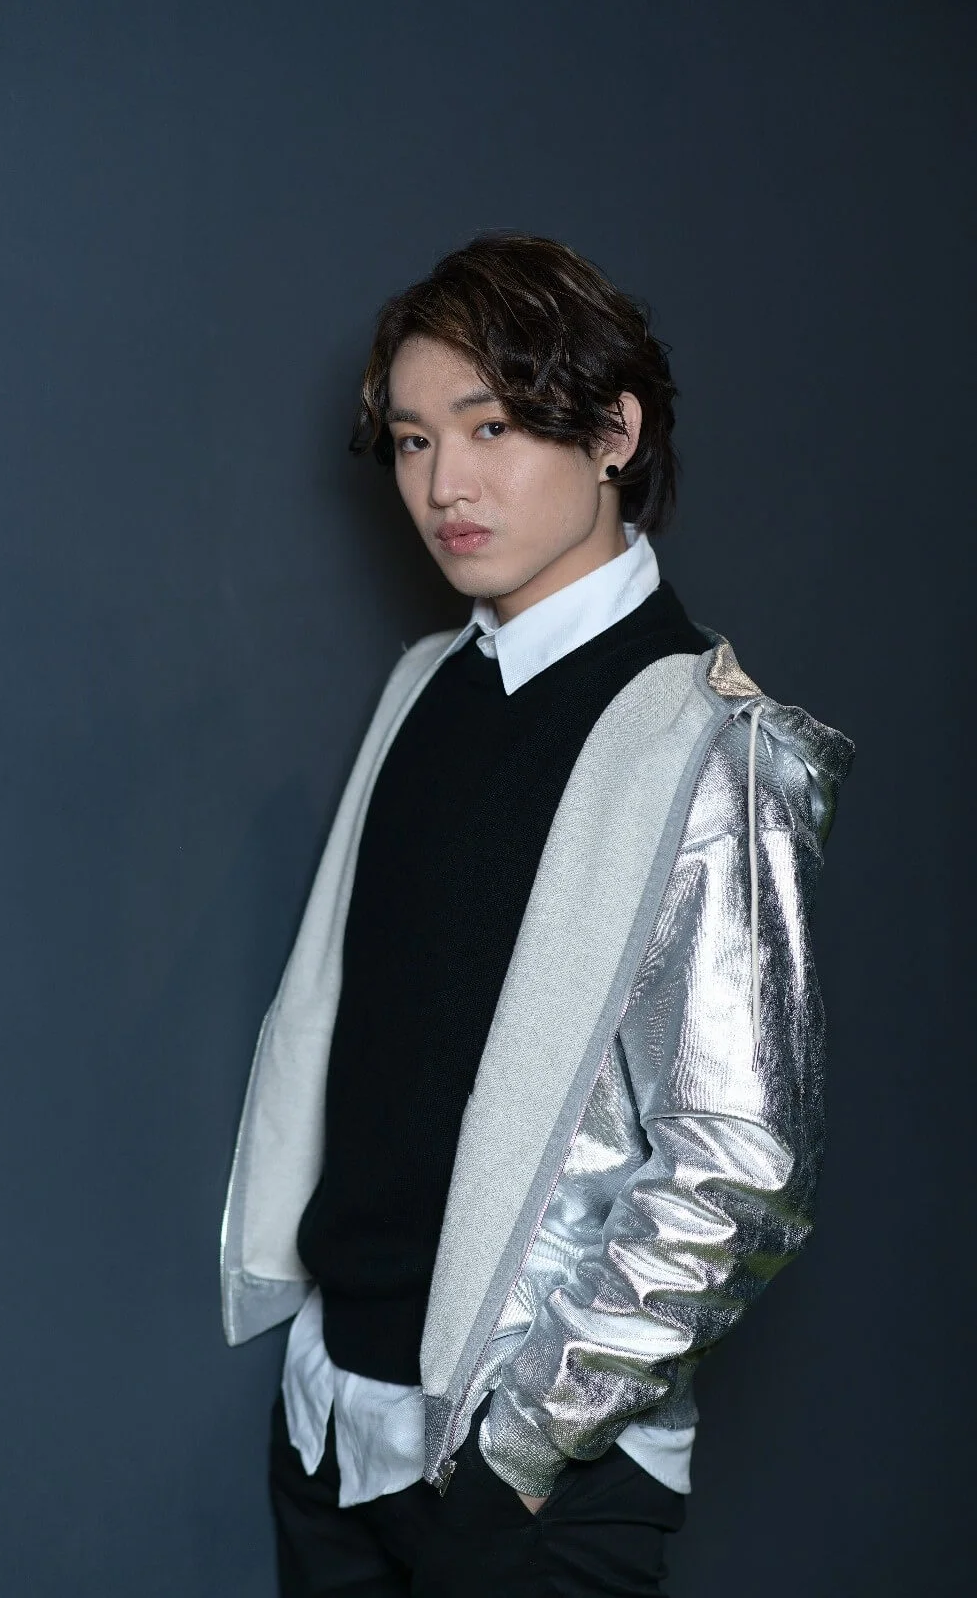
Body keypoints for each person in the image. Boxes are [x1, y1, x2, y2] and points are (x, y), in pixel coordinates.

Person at [219, 231, 854, 1597]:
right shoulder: (423, 684)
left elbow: (740, 1165)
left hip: (528, 1482)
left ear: (614, 431)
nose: (444, 484)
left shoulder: (717, 749)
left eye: (491, 427)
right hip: (335, 1424)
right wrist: (317, 1354)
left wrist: (525, 1444)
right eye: (412, 441)